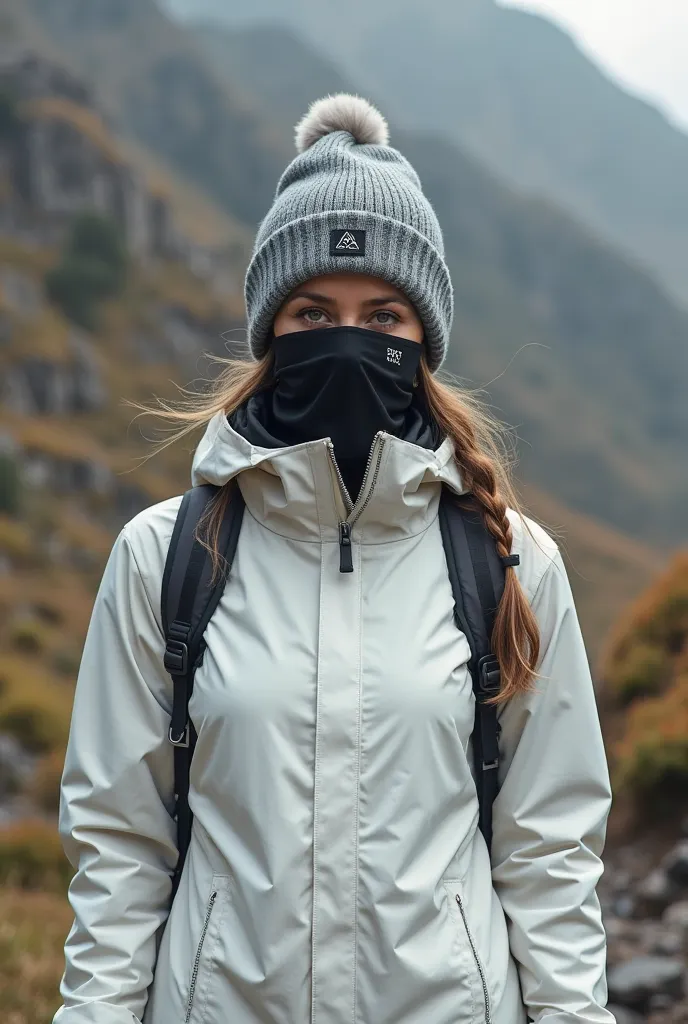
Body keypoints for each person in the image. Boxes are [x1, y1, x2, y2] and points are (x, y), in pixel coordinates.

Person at [54, 94, 615, 1024]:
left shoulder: (511, 562)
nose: (349, 339)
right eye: (313, 311)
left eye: (383, 316)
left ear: (422, 341)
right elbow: (119, 847)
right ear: (270, 331)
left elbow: (549, 853)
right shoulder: (165, 557)